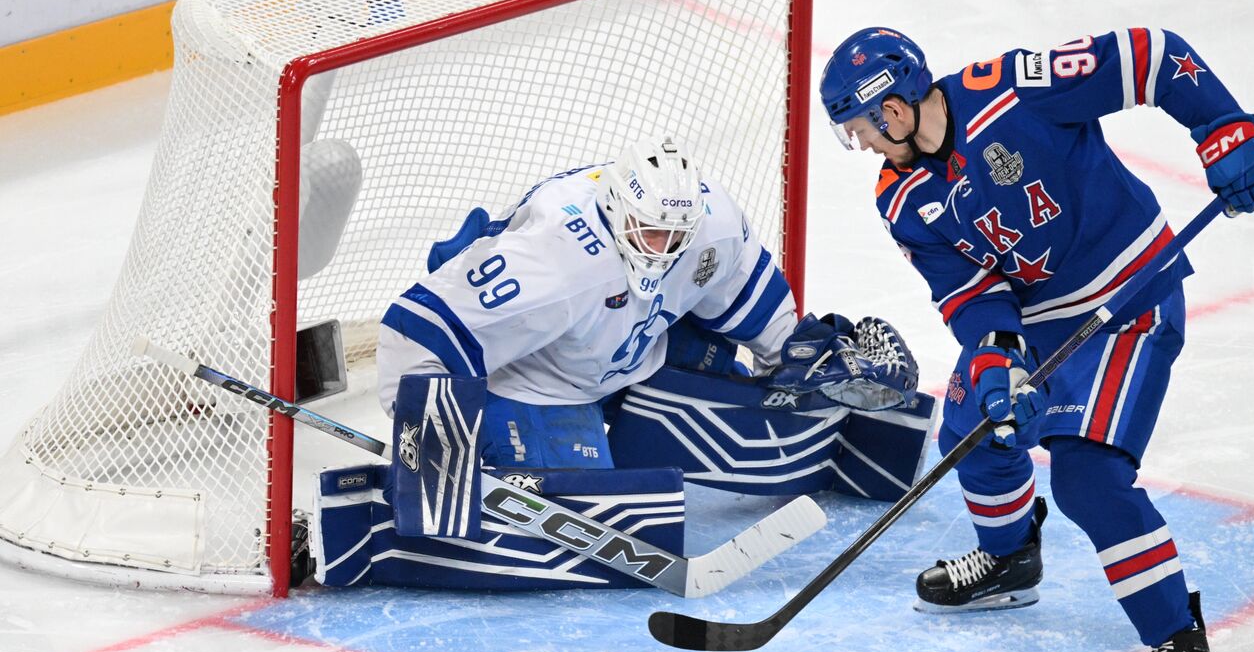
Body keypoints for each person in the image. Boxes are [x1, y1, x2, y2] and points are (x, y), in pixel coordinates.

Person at [819, 26, 1254, 652]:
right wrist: (997, 355)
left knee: (1088, 479)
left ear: (895, 106)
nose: (866, 147)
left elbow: (1152, 55)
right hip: (1043, 327)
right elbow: (970, 294)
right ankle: (1008, 558)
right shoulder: (900, 195)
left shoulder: (1013, 88)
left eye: (863, 129)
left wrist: (1222, 129)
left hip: (1130, 296)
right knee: (973, 413)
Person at [310, 137, 925, 592]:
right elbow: (414, 334)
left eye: (675, 235)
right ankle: (369, 530)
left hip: (632, 352)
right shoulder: (553, 261)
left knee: (751, 410)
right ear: (614, 210)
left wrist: (801, 359)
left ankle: (811, 444)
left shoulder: (710, 226)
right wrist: (434, 436)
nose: (664, 249)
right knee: (609, 527)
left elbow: (758, 311)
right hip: (530, 382)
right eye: (649, 233)